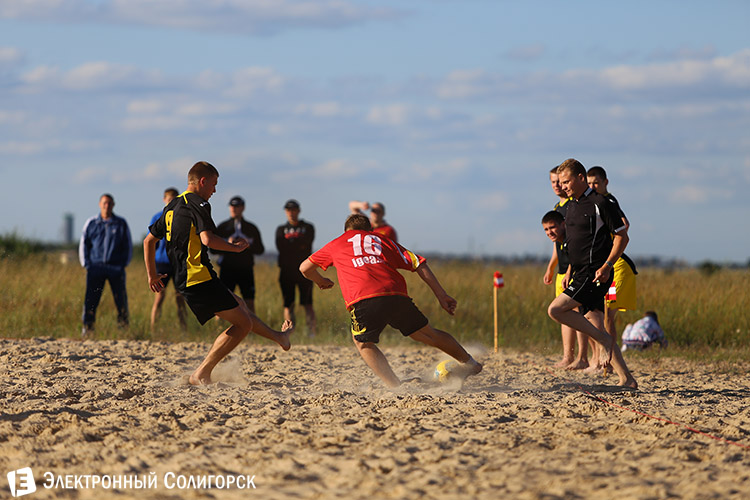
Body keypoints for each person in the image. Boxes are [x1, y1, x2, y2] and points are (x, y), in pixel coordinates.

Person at [144, 161, 293, 385]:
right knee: (244, 324)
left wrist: (152, 275)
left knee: (240, 305)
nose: (214, 190)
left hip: (190, 277)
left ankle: (279, 337)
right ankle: (202, 373)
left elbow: (148, 241)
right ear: (202, 181)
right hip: (198, 277)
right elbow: (207, 239)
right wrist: (234, 248)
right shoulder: (199, 203)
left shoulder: (172, 206)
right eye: (214, 184)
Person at [299, 213, 482, 388]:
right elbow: (418, 263)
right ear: (370, 230)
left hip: (364, 298)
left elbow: (304, 268)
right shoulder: (382, 240)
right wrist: (441, 295)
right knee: (427, 334)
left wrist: (321, 281)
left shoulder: (336, 243)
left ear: (346, 231)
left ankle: (395, 386)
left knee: (363, 344)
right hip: (396, 295)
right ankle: (471, 363)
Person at [547, 159, 637, 388]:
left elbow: (622, 236)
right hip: (579, 272)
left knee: (555, 310)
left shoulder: (601, 203)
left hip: (594, 273)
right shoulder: (571, 205)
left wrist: (607, 265)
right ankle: (626, 379)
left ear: (580, 178)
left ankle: (603, 340)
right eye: (560, 182)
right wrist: (569, 269)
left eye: (566, 181)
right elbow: (576, 243)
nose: (562, 186)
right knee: (596, 325)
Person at [586, 166, 639, 346]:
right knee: (599, 312)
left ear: (605, 182)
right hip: (608, 267)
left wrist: (610, 242)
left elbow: (624, 224)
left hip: (619, 268)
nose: (592, 187)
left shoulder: (607, 200)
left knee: (608, 312)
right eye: (589, 183)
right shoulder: (597, 201)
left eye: (596, 183)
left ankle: (610, 355)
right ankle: (604, 354)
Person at [542, 167, 589, 370]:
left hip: (576, 268)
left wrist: (570, 269)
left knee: (580, 313)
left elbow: (575, 242)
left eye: (559, 182)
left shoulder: (574, 205)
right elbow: (557, 244)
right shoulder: (557, 207)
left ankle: (582, 356)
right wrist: (550, 268)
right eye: (553, 182)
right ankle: (568, 356)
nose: (557, 185)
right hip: (562, 269)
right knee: (562, 313)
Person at [79, 193, 132, 337]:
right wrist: (86, 264)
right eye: (104, 203)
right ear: (99, 204)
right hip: (95, 268)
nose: (106, 206)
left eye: (109, 203)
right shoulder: (92, 223)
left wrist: (123, 264)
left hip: (115, 269)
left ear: (113, 205)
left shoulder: (121, 223)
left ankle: (123, 329)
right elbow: (84, 244)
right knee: (91, 299)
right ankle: (88, 329)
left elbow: (127, 245)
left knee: (120, 300)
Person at [214, 196, 265, 314]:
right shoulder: (223, 227)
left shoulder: (251, 228)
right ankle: (219, 324)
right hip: (227, 268)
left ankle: (252, 324)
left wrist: (247, 244)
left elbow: (260, 249)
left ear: (243, 208)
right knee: (223, 300)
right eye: (232, 206)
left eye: (237, 206)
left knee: (249, 300)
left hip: (245, 268)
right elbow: (212, 249)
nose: (234, 209)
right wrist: (227, 244)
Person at [275, 199, 316, 336]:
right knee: (288, 304)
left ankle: (311, 333)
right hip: (286, 271)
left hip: (304, 270)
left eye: (293, 210)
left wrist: (293, 244)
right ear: (285, 212)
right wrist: (297, 245)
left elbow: (306, 244)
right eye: (288, 210)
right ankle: (288, 333)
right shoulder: (281, 229)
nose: (291, 213)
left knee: (308, 303)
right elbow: (281, 246)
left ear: (298, 211)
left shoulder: (308, 227)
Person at [149, 187, 187, 330]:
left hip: (177, 262)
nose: (172, 202)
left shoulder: (182, 217)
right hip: (162, 261)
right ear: (164, 200)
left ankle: (184, 329)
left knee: (180, 297)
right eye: (169, 199)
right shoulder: (157, 217)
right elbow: (151, 241)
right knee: (159, 296)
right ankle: (153, 328)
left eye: (174, 200)